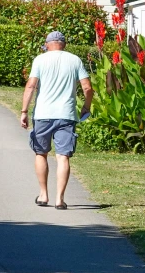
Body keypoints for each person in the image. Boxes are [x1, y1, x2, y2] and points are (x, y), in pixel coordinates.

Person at [20, 31, 92, 210]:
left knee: (41, 153)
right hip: (66, 114)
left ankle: (43, 195)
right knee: (63, 156)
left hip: (43, 114)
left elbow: (30, 85)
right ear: (64, 44)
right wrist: (86, 107)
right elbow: (88, 88)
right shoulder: (75, 60)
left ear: (48, 44)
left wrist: (24, 111)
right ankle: (60, 199)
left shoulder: (40, 60)